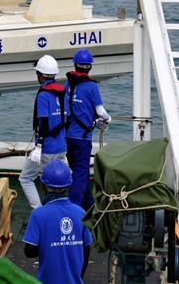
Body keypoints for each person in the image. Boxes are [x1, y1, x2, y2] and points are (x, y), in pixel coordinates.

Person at [23, 161, 93, 284]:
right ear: (69, 185)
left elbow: (29, 252)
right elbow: (86, 249)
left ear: (43, 185)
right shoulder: (80, 213)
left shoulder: (38, 215)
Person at [19, 55, 69, 209]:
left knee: (26, 178)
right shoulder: (63, 92)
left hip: (47, 148)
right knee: (56, 182)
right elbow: (66, 119)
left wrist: (39, 146)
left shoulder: (43, 95)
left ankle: (39, 211)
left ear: (40, 75)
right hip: (62, 146)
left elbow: (44, 123)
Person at [65, 48, 111, 209]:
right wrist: (107, 119)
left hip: (68, 136)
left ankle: (89, 203)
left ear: (75, 65)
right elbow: (100, 111)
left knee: (78, 170)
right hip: (82, 138)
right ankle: (73, 208)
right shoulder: (91, 86)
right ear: (90, 66)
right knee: (80, 173)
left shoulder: (68, 82)